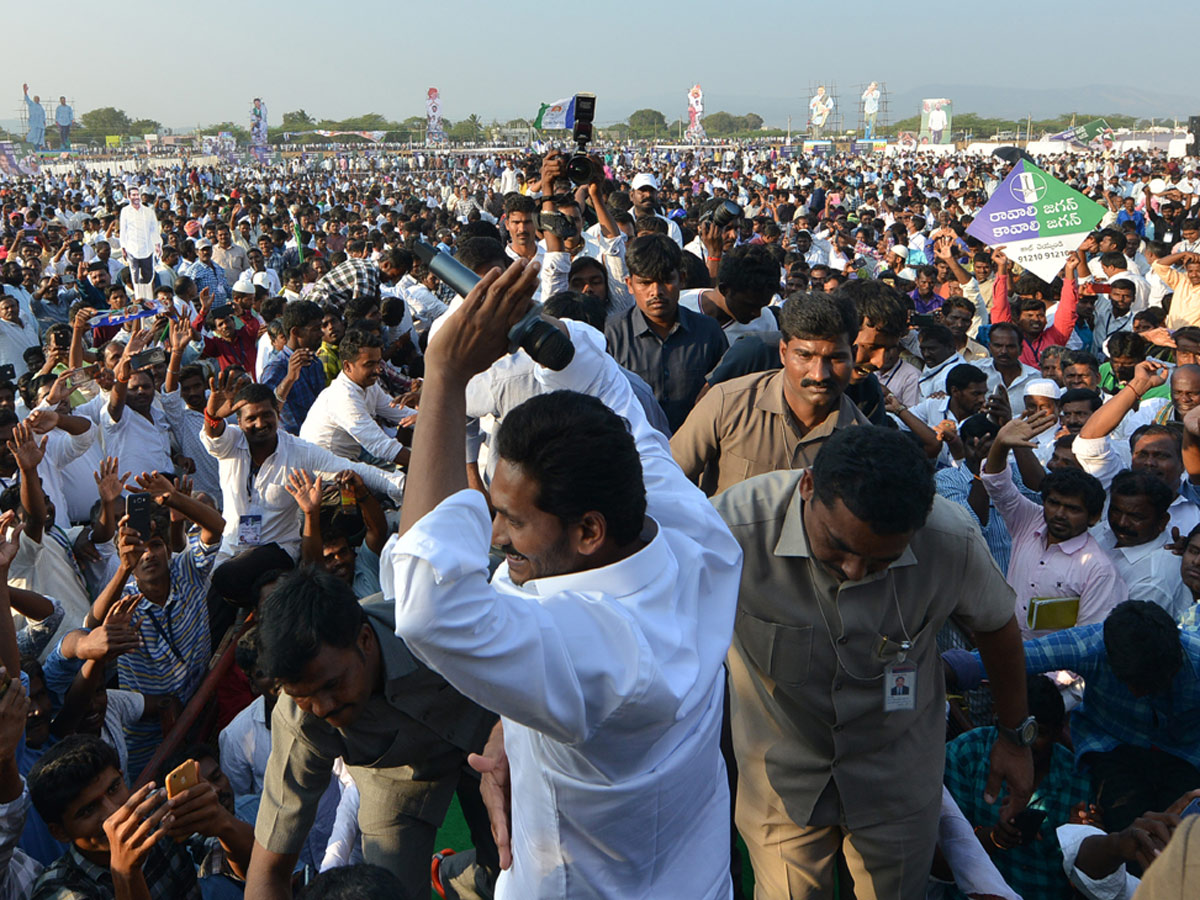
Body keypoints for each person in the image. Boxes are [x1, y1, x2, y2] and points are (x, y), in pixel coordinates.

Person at [382, 258, 743, 898]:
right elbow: (616, 401)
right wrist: (548, 341)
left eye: (513, 521)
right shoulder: (699, 540)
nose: (495, 538)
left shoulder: (594, 649)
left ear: (588, 532)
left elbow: (426, 604)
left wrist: (444, 376)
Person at [713, 425, 1034, 900]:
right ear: (807, 486)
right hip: (781, 778)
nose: (855, 571)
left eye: (882, 562)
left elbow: (997, 628)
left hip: (897, 774)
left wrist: (1015, 738)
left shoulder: (950, 539)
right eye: (838, 546)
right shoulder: (729, 530)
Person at [243, 569, 498, 900]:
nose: (321, 708)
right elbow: (270, 868)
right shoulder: (298, 720)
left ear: (365, 640)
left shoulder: (435, 618)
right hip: (395, 780)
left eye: (332, 685)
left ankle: (458, 877)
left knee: (525, 870)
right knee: (386, 892)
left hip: (491, 740)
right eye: (303, 695)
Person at [670, 291, 867, 496]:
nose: (819, 374)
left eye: (835, 358)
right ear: (783, 352)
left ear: (853, 357)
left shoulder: (862, 443)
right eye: (805, 356)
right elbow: (666, 481)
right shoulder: (727, 404)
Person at [199, 371, 404, 566]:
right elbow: (214, 435)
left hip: (278, 551)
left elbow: (352, 468)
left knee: (233, 578)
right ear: (240, 422)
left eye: (266, 415)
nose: (260, 424)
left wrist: (403, 486)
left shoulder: (300, 451)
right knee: (217, 586)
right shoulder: (231, 442)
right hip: (231, 548)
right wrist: (213, 416)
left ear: (278, 414)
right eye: (251, 419)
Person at [27, 733, 251, 900]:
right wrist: (125, 874)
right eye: (87, 811)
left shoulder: (158, 811)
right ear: (60, 832)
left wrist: (222, 824)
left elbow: (254, 870)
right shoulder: (57, 890)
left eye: (114, 788)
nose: (112, 812)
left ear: (122, 777)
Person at [944, 676, 1092, 900]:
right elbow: (945, 850)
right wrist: (994, 838)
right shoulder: (965, 754)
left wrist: (1082, 837)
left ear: (1057, 733)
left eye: (1038, 733)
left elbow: (1085, 881)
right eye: (1020, 730)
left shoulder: (1078, 779)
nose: (1026, 743)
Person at [982, 411, 1127, 637]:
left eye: (1073, 509)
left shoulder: (1098, 569)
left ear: (1094, 517)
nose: (1059, 513)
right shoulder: (1030, 520)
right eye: (1054, 503)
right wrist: (1000, 444)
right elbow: (997, 485)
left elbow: (1086, 640)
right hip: (1005, 654)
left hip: (1052, 670)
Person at [604, 234, 728, 432]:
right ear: (629, 284)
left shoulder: (708, 332)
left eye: (666, 281)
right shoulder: (610, 335)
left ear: (682, 279)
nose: (656, 292)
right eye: (645, 283)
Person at [299, 327, 411, 467]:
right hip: (325, 471)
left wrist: (428, 419)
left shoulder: (369, 386)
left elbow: (402, 414)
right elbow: (381, 445)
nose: (378, 370)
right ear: (347, 366)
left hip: (351, 461)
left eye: (378, 362)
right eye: (369, 364)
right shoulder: (343, 397)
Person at [259, 300, 327, 434]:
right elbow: (265, 411)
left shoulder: (315, 362)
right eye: (315, 329)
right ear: (295, 332)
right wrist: (289, 379)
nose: (321, 334)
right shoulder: (276, 369)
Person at [117, 189, 161, 304]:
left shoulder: (148, 211)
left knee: (148, 276)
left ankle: (149, 300)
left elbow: (154, 229)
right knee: (135, 277)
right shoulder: (125, 211)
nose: (136, 197)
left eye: (137, 195)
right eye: (133, 195)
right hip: (132, 248)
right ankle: (138, 299)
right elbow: (123, 231)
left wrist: (157, 244)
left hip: (146, 248)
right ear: (129, 197)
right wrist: (123, 247)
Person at [22, 85, 45, 150]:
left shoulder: (41, 107)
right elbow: (26, 98)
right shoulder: (31, 104)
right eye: (36, 98)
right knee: (32, 135)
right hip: (34, 124)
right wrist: (25, 91)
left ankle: (39, 147)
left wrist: (44, 121)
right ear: (34, 99)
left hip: (40, 124)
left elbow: (43, 115)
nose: (37, 100)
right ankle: (28, 143)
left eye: (38, 99)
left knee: (39, 137)